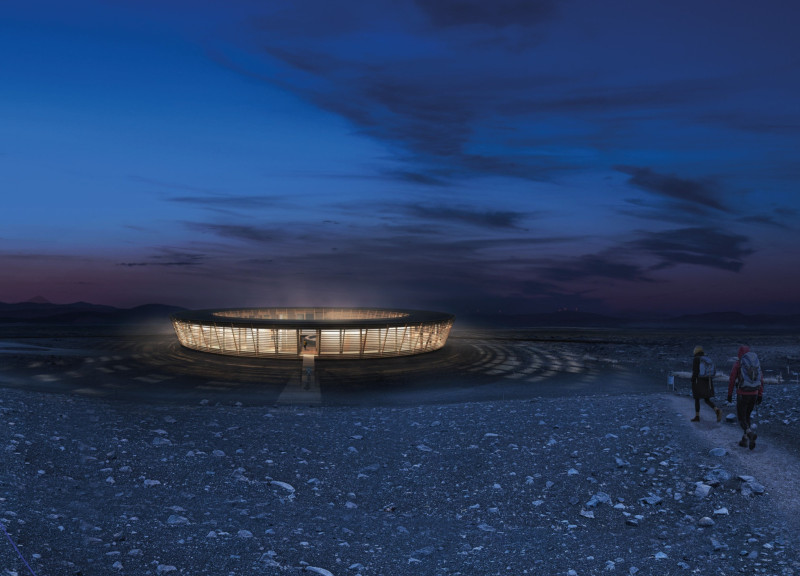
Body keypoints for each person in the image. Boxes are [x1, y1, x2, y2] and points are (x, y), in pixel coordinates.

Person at [727, 345, 764, 450]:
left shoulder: (738, 364)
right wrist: (760, 394)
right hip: (754, 393)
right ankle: (745, 440)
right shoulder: (755, 363)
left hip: (742, 394)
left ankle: (750, 434)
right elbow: (761, 379)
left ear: (739, 353)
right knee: (747, 417)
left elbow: (732, 380)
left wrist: (729, 394)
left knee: (741, 419)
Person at [690, 345, 722, 422]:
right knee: (706, 399)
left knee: (697, 399)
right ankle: (717, 410)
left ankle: (697, 416)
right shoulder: (706, 358)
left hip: (699, 382)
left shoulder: (696, 359)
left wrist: (692, 380)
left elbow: (695, 371)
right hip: (707, 381)